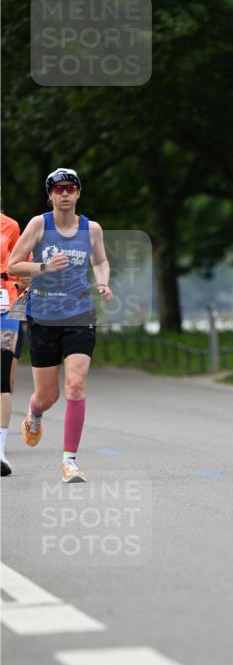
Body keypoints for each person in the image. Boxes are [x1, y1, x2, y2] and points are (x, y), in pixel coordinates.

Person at [8, 168, 112, 483]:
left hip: (79, 315)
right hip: (43, 316)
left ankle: (70, 462)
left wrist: (104, 283)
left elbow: (100, 261)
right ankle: (35, 413)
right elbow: (13, 264)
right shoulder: (40, 224)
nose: (64, 194)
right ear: (50, 195)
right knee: (48, 396)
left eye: (70, 188)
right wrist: (43, 266)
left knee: (76, 385)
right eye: (58, 189)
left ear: (78, 193)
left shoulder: (91, 229)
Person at [0, 210, 29, 477]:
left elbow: (23, 270)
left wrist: (22, 293)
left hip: (7, 311)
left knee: (5, 375)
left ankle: (0, 449)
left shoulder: (11, 226)